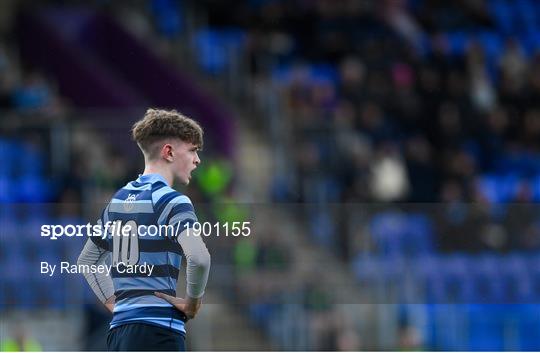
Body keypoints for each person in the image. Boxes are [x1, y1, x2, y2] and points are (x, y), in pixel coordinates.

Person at [77, 108, 211, 351]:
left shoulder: (117, 201)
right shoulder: (172, 201)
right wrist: (192, 303)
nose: (197, 160)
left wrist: (116, 305)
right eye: (192, 150)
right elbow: (200, 258)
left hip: (120, 333)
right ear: (168, 152)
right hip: (159, 331)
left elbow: (87, 260)